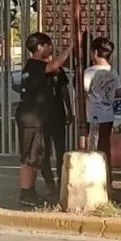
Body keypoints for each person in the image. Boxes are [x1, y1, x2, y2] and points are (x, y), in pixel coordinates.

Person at [15, 33, 69, 208]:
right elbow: (54, 65)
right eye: (48, 45)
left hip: (37, 117)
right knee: (29, 157)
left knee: (34, 156)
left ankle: (29, 192)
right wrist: (70, 48)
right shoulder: (35, 65)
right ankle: (26, 193)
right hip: (32, 117)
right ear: (39, 47)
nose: (51, 48)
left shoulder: (34, 67)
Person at [83, 37, 120, 189]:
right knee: (105, 147)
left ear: (95, 52)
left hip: (94, 115)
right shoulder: (113, 72)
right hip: (108, 115)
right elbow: (118, 92)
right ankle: (108, 178)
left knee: (93, 148)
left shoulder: (90, 72)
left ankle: (94, 180)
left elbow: (85, 91)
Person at [41, 60, 73, 191]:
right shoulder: (36, 70)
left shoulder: (58, 70)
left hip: (58, 115)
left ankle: (61, 179)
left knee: (60, 150)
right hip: (42, 117)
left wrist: (69, 110)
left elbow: (64, 90)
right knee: (44, 151)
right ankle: (49, 181)